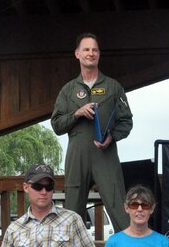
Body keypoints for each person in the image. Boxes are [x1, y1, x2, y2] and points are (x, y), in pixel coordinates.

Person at [51, 33, 132, 233]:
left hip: (106, 153)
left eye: (94, 50)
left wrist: (112, 137)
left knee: (119, 207)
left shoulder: (113, 87)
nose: (91, 53)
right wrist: (76, 113)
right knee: (71, 211)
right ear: (77, 54)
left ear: (99, 55)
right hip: (77, 154)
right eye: (86, 49)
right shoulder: (68, 90)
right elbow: (57, 125)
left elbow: (126, 121)